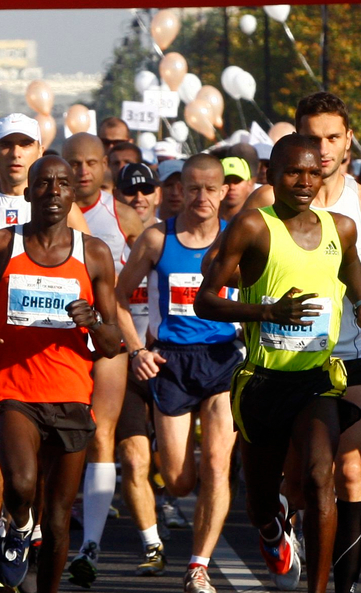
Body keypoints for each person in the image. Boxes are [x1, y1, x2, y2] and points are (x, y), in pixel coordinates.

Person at [195, 133, 361, 593]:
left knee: (320, 477)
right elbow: (206, 301)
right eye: (292, 171)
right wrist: (266, 312)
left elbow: (353, 281)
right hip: (263, 382)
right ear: (270, 175)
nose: (304, 181)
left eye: (312, 172)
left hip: (317, 379)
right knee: (261, 500)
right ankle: (271, 529)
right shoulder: (251, 226)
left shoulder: (341, 228)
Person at [245, 92, 361, 593]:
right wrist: (263, 305)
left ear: (349, 139)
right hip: (285, 357)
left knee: (348, 472)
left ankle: (341, 587)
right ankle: (280, 530)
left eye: (333, 137)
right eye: (312, 138)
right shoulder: (267, 199)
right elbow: (230, 266)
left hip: (348, 352)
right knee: (299, 481)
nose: (324, 149)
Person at [0, 155, 122, 592]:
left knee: (56, 522)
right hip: (14, 388)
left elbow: (112, 344)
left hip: (73, 395)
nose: (53, 192)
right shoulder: (0, 245)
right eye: (44, 183)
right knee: (21, 483)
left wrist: (91, 321)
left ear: (73, 193)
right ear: (28, 190)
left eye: (62, 184)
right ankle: (17, 525)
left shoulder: (93, 254)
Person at [0, 113, 90, 588]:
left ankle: (28, 533)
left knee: (56, 503)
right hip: (0, 356)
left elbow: (104, 315)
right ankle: (5, 524)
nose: (14, 152)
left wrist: (96, 325)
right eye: (5, 145)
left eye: (23, 144)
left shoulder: (80, 230)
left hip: (66, 370)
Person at [116, 154, 243, 593]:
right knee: (177, 478)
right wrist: (137, 350)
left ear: (225, 190)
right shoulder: (156, 239)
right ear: (180, 190)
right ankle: (186, 503)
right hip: (170, 360)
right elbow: (116, 298)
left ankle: (198, 565)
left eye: (211, 188)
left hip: (223, 357)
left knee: (217, 464)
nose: (202, 197)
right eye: (193, 188)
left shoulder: (237, 239)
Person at [61, 132, 143, 587]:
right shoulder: (50, 212)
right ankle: (39, 528)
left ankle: (90, 544)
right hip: (61, 334)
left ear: (105, 166)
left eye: (92, 162)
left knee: (102, 432)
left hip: (106, 334)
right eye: (75, 162)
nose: (83, 171)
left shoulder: (123, 214)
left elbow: (142, 270)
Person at [220, 157, 255, 221]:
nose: (231, 187)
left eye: (237, 181)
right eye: (226, 181)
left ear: (249, 184)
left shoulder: (258, 222)